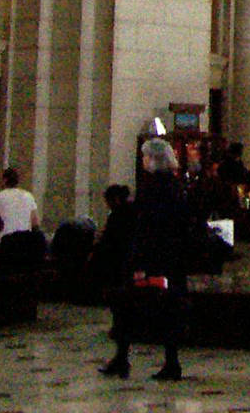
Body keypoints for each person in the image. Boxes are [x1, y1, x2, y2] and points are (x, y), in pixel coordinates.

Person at [102, 138, 196, 382]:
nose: (142, 160)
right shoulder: (175, 186)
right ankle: (161, 360)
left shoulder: (153, 188)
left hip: (155, 261)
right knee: (165, 311)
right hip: (172, 259)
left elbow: (147, 228)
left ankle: (125, 357)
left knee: (129, 307)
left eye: (145, 156)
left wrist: (140, 264)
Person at [0, 166, 45, 268]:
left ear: (4, 180)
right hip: (25, 245)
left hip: (5, 246)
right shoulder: (28, 196)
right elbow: (35, 223)